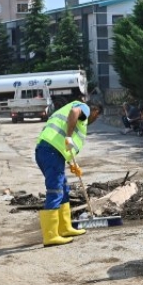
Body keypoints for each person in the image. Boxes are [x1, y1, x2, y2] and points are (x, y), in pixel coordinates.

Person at [35, 100, 103, 246]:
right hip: (51, 152)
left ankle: (64, 228)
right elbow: (74, 113)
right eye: (96, 116)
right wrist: (69, 136)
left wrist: (73, 164)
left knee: (64, 189)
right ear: (95, 111)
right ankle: (51, 235)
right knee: (55, 190)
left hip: (51, 153)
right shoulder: (83, 107)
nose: (94, 119)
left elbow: (65, 147)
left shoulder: (72, 112)